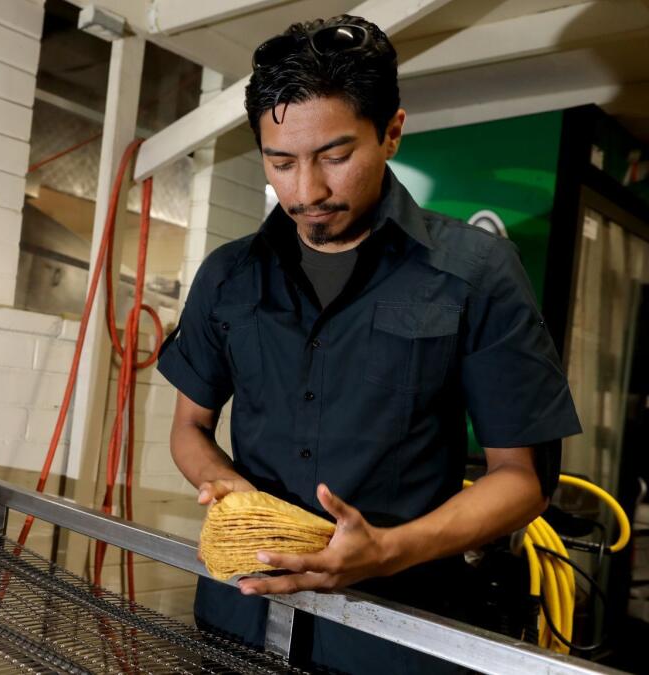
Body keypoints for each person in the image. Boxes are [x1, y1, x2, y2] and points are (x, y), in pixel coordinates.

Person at [156, 14, 582, 673]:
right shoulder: (228, 275)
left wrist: (384, 549)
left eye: (335, 155)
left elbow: (520, 481)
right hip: (238, 619)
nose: (306, 191)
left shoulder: (476, 272)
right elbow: (190, 427)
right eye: (281, 162)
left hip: (393, 639)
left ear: (391, 132)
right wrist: (231, 491)